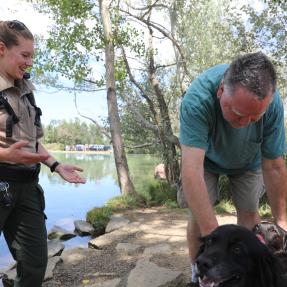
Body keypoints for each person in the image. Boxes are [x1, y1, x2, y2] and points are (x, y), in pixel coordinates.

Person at [179, 52, 287, 286]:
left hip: (248, 159)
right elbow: (191, 170)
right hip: (204, 160)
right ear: (220, 92)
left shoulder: (273, 105)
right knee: (200, 217)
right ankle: (199, 275)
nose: (244, 123)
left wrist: (282, 224)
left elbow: (275, 166)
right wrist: (214, 249)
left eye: (254, 117)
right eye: (238, 114)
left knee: (249, 214)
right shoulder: (197, 100)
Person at [0, 20, 86, 287]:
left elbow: (32, 142)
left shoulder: (26, 90)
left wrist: (56, 165)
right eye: (24, 55)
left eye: (32, 56)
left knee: (35, 263)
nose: (29, 63)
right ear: (1, 48)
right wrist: (4, 157)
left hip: (27, 189)